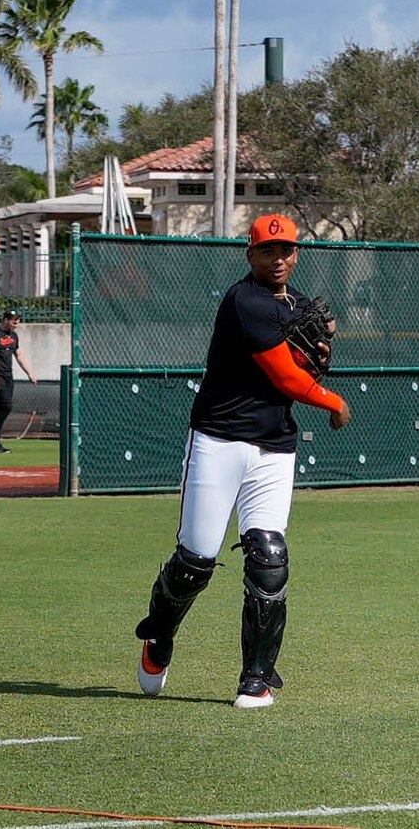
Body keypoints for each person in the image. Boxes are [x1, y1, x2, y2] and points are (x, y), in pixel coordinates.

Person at [134, 214, 353, 709]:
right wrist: (332, 399)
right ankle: (159, 636)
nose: (278, 259)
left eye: (287, 251)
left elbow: (308, 359)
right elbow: (285, 376)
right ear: (250, 254)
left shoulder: (296, 304)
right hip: (219, 439)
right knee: (195, 562)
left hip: (275, 445)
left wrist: (322, 349)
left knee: (269, 558)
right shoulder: (244, 301)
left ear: (297, 254)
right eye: (268, 250)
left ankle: (255, 676)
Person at [0, 308, 36, 454]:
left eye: (18, 321)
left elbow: (18, 355)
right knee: (6, 405)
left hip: (8, 376)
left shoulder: (14, 336)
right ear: (5, 320)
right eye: (14, 321)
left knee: (2, 406)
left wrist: (29, 373)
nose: (16, 324)